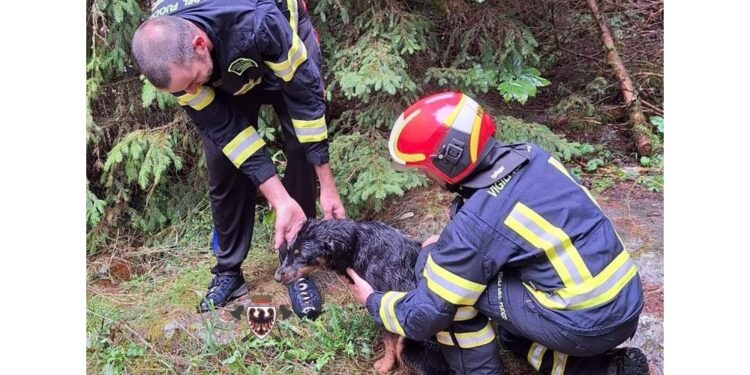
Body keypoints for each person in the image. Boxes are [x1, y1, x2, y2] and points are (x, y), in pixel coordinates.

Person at [346, 92, 650, 374]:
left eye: (424, 168)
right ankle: (603, 369)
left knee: (437, 271)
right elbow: (511, 230)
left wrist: (374, 300)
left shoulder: (479, 221)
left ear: (449, 158)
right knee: (512, 335)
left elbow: (425, 316)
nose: (425, 175)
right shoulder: (532, 156)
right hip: (625, 300)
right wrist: (456, 247)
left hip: (586, 323)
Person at [131, 0, 345, 318]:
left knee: (301, 145)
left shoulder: (258, 21)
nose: (189, 90)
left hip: (278, 42)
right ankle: (229, 271)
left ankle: (296, 263)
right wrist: (277, 198)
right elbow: (229, 132)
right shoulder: (169, 54)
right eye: (182, 88)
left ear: (200, 44)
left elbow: (305, 98)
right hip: (222, 65)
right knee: (222, 160)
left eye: (191, 82)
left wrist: (326, 184)